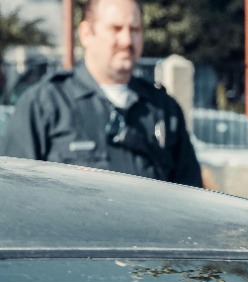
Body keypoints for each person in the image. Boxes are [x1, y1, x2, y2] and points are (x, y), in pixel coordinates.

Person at [1, 0, 203, 188]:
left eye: (134, 30)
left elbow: (190, 196)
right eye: (116, 29)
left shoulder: (163, 110)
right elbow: (17, 196)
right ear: (87, 34)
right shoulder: (44, 105)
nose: (126, 40)